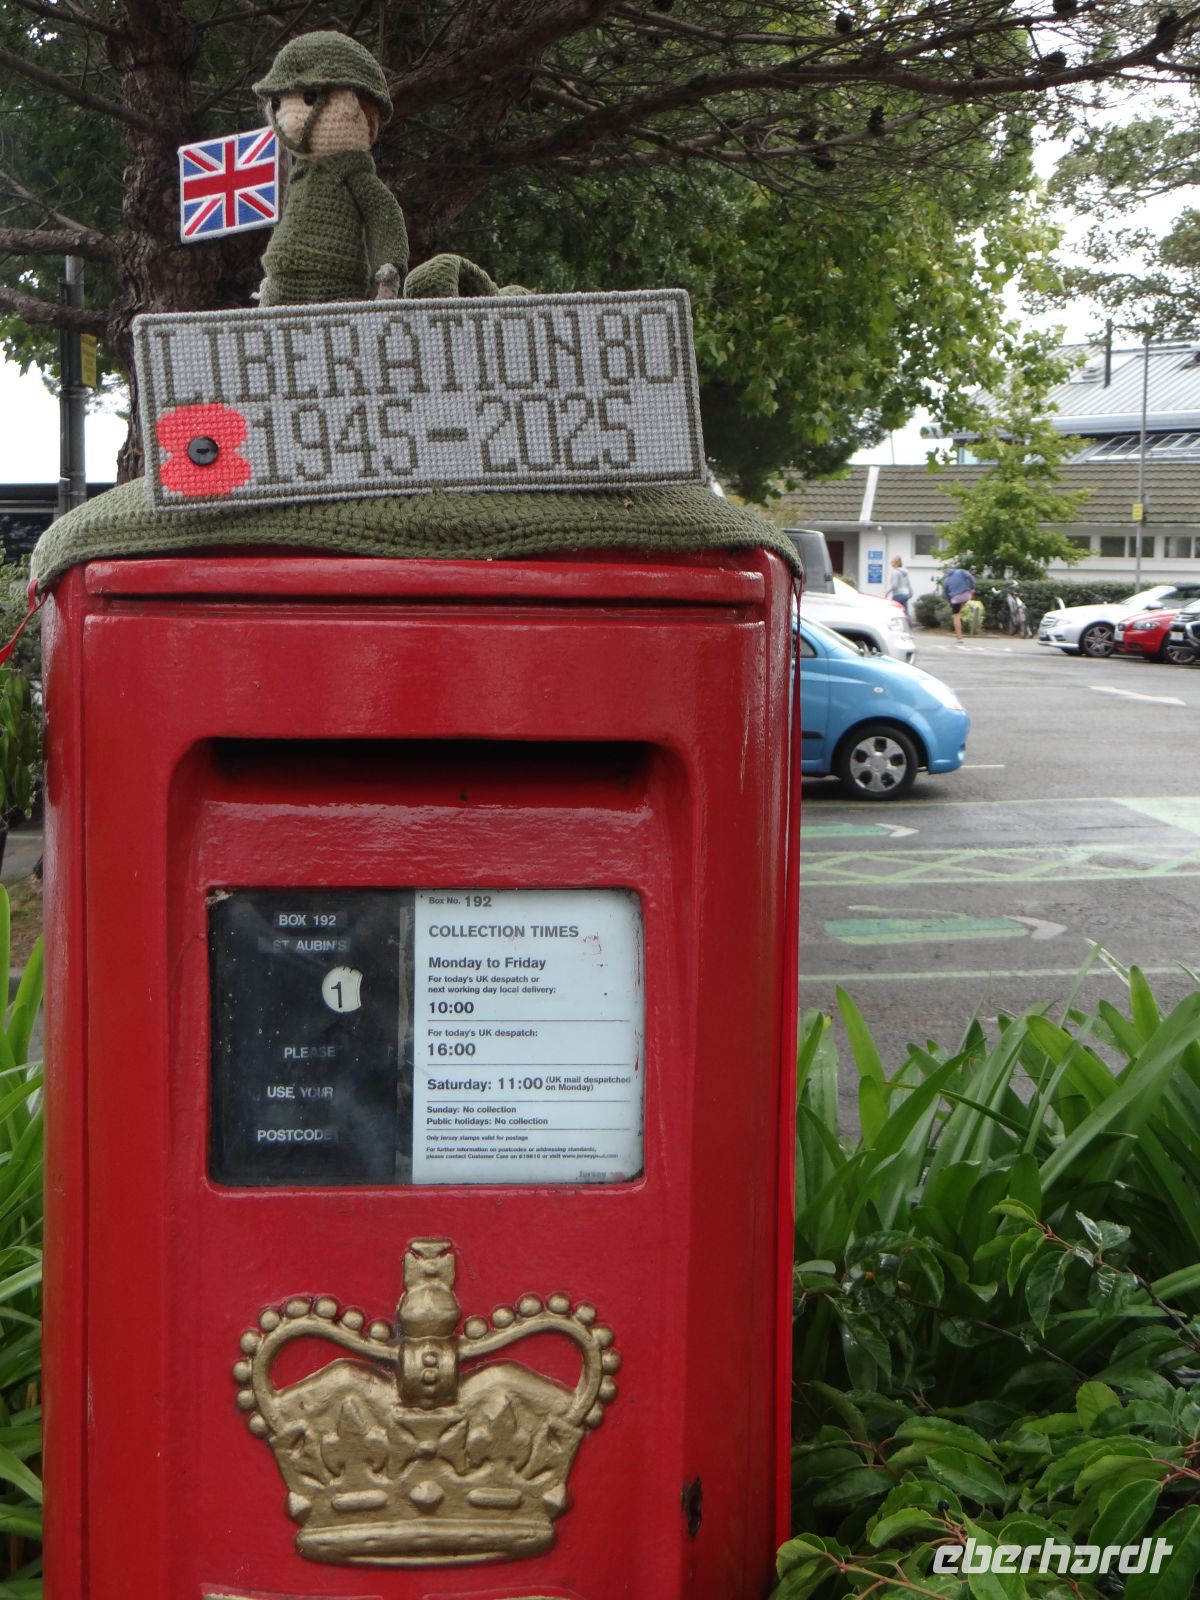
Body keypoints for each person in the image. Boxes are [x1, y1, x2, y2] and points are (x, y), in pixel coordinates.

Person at [253, 32, 408, 307]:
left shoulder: (353, 175)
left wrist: (388, 268)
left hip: (336, 274)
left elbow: (383, 214)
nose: (287, 118)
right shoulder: (299, 174)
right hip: (283, 272)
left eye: (310, 97)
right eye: (278, 103)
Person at [942, 565, 976, 642]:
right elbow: (970, 577)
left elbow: (946, 594)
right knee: (961, 608)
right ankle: (962, 611)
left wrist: (949, 602)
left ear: (946, 573)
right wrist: (973, 588)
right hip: (966, 595)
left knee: (956, 616)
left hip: (955, 598)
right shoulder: (961, 571)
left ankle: (959, 637)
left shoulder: (946, 581)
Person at [887, 555, 912, 623]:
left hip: (898, 594)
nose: (891, 563)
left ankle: (894, 625)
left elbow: (895, 585)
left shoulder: (895, 572)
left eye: (892, 561)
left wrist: (887, 592)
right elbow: (908, 584)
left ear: (896, 563)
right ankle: (909, 626)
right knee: (905, 612)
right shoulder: (906, 572)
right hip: (905, 594)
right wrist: (911, 593)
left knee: (893, 610)